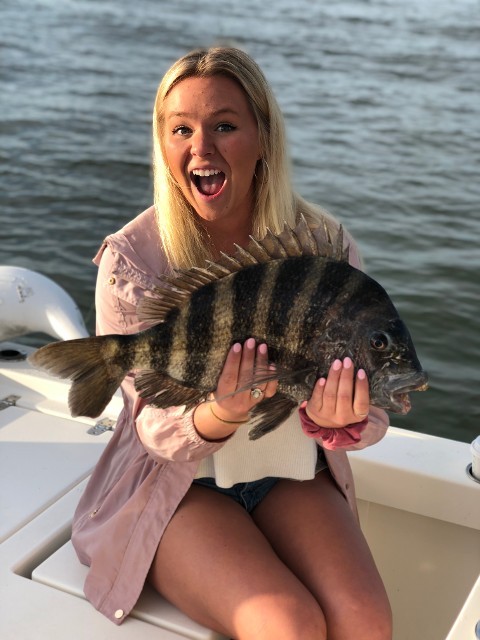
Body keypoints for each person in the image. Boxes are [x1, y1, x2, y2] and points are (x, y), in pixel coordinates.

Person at [71, 46, 392, 640]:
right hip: (172, 486)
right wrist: (222, 412)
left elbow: (372, 407)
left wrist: (339, 421)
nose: (201, 148)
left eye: (224, 125)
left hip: (287, 470)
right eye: (181, 130)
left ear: (264, 137)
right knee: (287, 626)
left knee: (365, 621)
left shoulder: (324, 244)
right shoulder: (131, 262)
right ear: (162, 144)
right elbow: (150, 426)